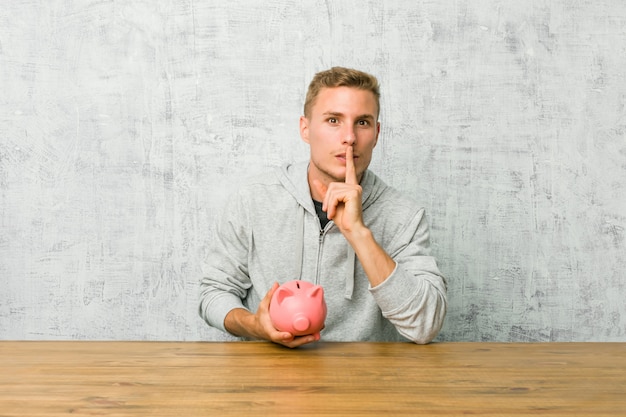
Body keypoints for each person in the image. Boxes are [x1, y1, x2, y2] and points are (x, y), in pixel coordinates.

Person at [199, 66, 447, 348]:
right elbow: (214, 291)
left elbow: (426, 325)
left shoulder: (404, 216)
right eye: (333, 120)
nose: (349, 137)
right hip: (267, 377)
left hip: (362, 381)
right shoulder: (253, 199)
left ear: (376, 133)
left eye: (362, 123)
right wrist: (254, 325)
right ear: (305, 129)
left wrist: (358, 233)